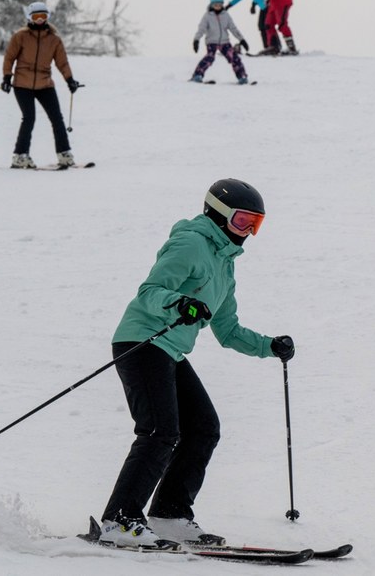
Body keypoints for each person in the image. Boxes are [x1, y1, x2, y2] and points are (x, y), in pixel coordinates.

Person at [98, 178, 296, 549]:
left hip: (170, 350)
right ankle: (119, 520)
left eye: (256, 224)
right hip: (143, 341)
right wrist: (180, 304)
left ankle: (171, 514)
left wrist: (270, 346)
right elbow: (150, 292)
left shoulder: (225, 266)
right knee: (159, 431)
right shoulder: (191, 243)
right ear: (218, 215)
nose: (248, 232)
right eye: (242, 221)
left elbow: (228, 330)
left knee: (204, 427)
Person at [0, 1, 82, 169]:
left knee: (57, 119)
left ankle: (64, 154)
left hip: (45, 85)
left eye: (43, 16)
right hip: (23, 84)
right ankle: (20, 156)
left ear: (47, 17)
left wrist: (70, 80)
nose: (39, 20)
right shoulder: (20, 37)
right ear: (29, 17)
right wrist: (7, 78)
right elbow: (9, 58)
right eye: (36, 16)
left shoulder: (54, 40)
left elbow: (62, 63)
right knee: (29, 118)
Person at [191, 0, 250, 84]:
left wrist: (242, 40)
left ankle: (242, 76)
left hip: (225, 42)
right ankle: (197, 75)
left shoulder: (226, 15)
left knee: (234, 57)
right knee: (210, 57)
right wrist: (196, 40)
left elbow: (233, 28)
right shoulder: (207, 16)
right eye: (215, 5)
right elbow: (201, 28)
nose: (218, 7)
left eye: (219, 5)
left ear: (222, 5)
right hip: (212, 42)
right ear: (211, 5)